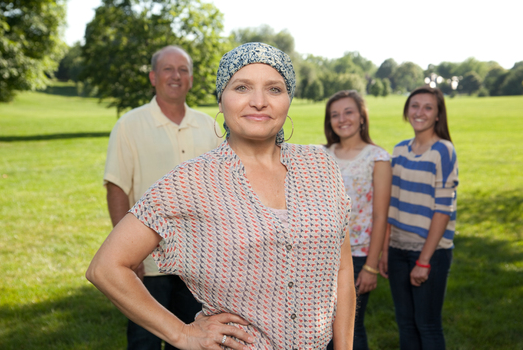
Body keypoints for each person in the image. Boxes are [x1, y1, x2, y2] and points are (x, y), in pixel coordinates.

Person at [87, 42, 356, 350]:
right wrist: (182, 333)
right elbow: (106, 267)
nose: (259, 101)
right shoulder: (191, 181)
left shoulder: (321, 166)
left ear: (288, 99)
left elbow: (342, 266)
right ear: (221, 99)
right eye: (242, 87)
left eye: (274, 89)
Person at [103, 45, 221, 350]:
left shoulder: (210, 126)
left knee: (201, 339)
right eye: (168, 69)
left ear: (191, 80)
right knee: (144, 342)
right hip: (149, 260)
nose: (176, 76)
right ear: (154, 77)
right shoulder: (129, 125)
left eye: (183, 70)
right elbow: (116, 187)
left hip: (200, 262)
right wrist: (130, 254)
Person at [379, 86, 459, 350]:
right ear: (406, 111)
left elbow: (443, 209)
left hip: (431, 251)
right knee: (405, 324)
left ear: (438, 115)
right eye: (414, 106)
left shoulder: (443, 151)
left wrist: (424, 261)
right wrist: (385, 249)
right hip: (398, 249)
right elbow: (393, 202)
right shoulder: (400, 150)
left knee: (427, 325)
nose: (420, 112)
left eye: (428, 107)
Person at [323, 91, 392, 350]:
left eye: (348, 112)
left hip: (359, 254)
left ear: (362, 117)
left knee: (350, 326)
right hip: (323, 253)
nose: (342, 119)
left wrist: (371, 266)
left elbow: (381, 215)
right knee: (323, 326)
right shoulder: (320, 155)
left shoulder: (377, 157)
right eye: (335, 114)